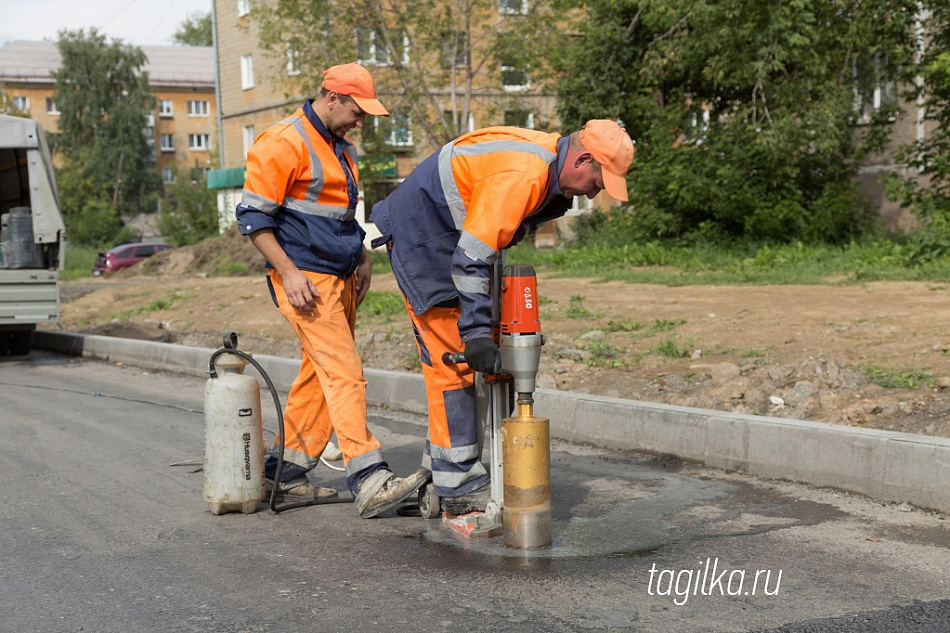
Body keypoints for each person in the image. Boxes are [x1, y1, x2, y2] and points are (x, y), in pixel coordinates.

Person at [371, 120, 634, 513]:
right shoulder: (525, 174)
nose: (597, 193)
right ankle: (457, 486)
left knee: (466, 363)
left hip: (448, 232)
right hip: (423, 236)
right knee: (453, 365)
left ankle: (438, 470)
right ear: (581, 159)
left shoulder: (548, 163)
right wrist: (476, 333)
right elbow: (471, 256)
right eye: (599, 180)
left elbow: (489, 239)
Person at [235, 62, 428, 518]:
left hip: (339, 275)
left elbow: (337, 215)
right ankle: (369, 478)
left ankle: (280, 474)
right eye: (358, 112)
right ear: (333, 97)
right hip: (305, 280)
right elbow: (253, 221)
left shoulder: (342, 148)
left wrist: (361, 254)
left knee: (317, 378)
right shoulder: (283, 141)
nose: (361, 121)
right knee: (344, 371)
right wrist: (289, 273)